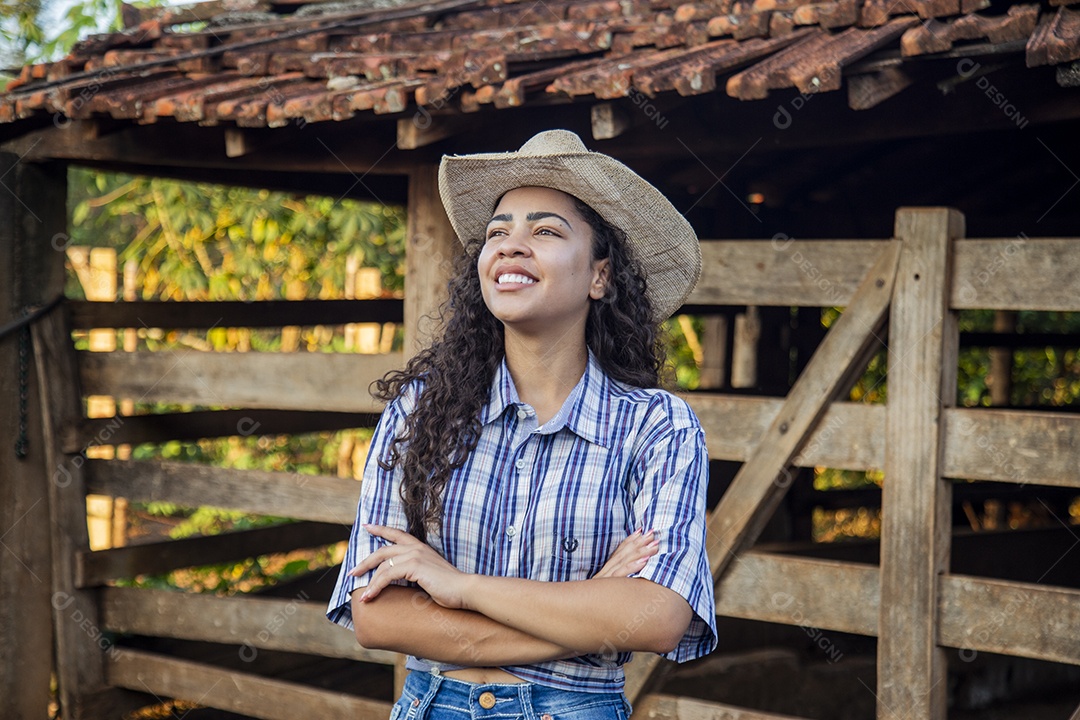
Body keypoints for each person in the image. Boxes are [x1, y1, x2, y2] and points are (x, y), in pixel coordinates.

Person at [327, 129, 716, 719]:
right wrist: (589, 613)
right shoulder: (419, 411)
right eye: (498, 231)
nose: (511, 245)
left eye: (545, 231)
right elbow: (374, 615)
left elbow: (659, 618)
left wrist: (460, 587)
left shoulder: (659, 429)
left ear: (600, 276)